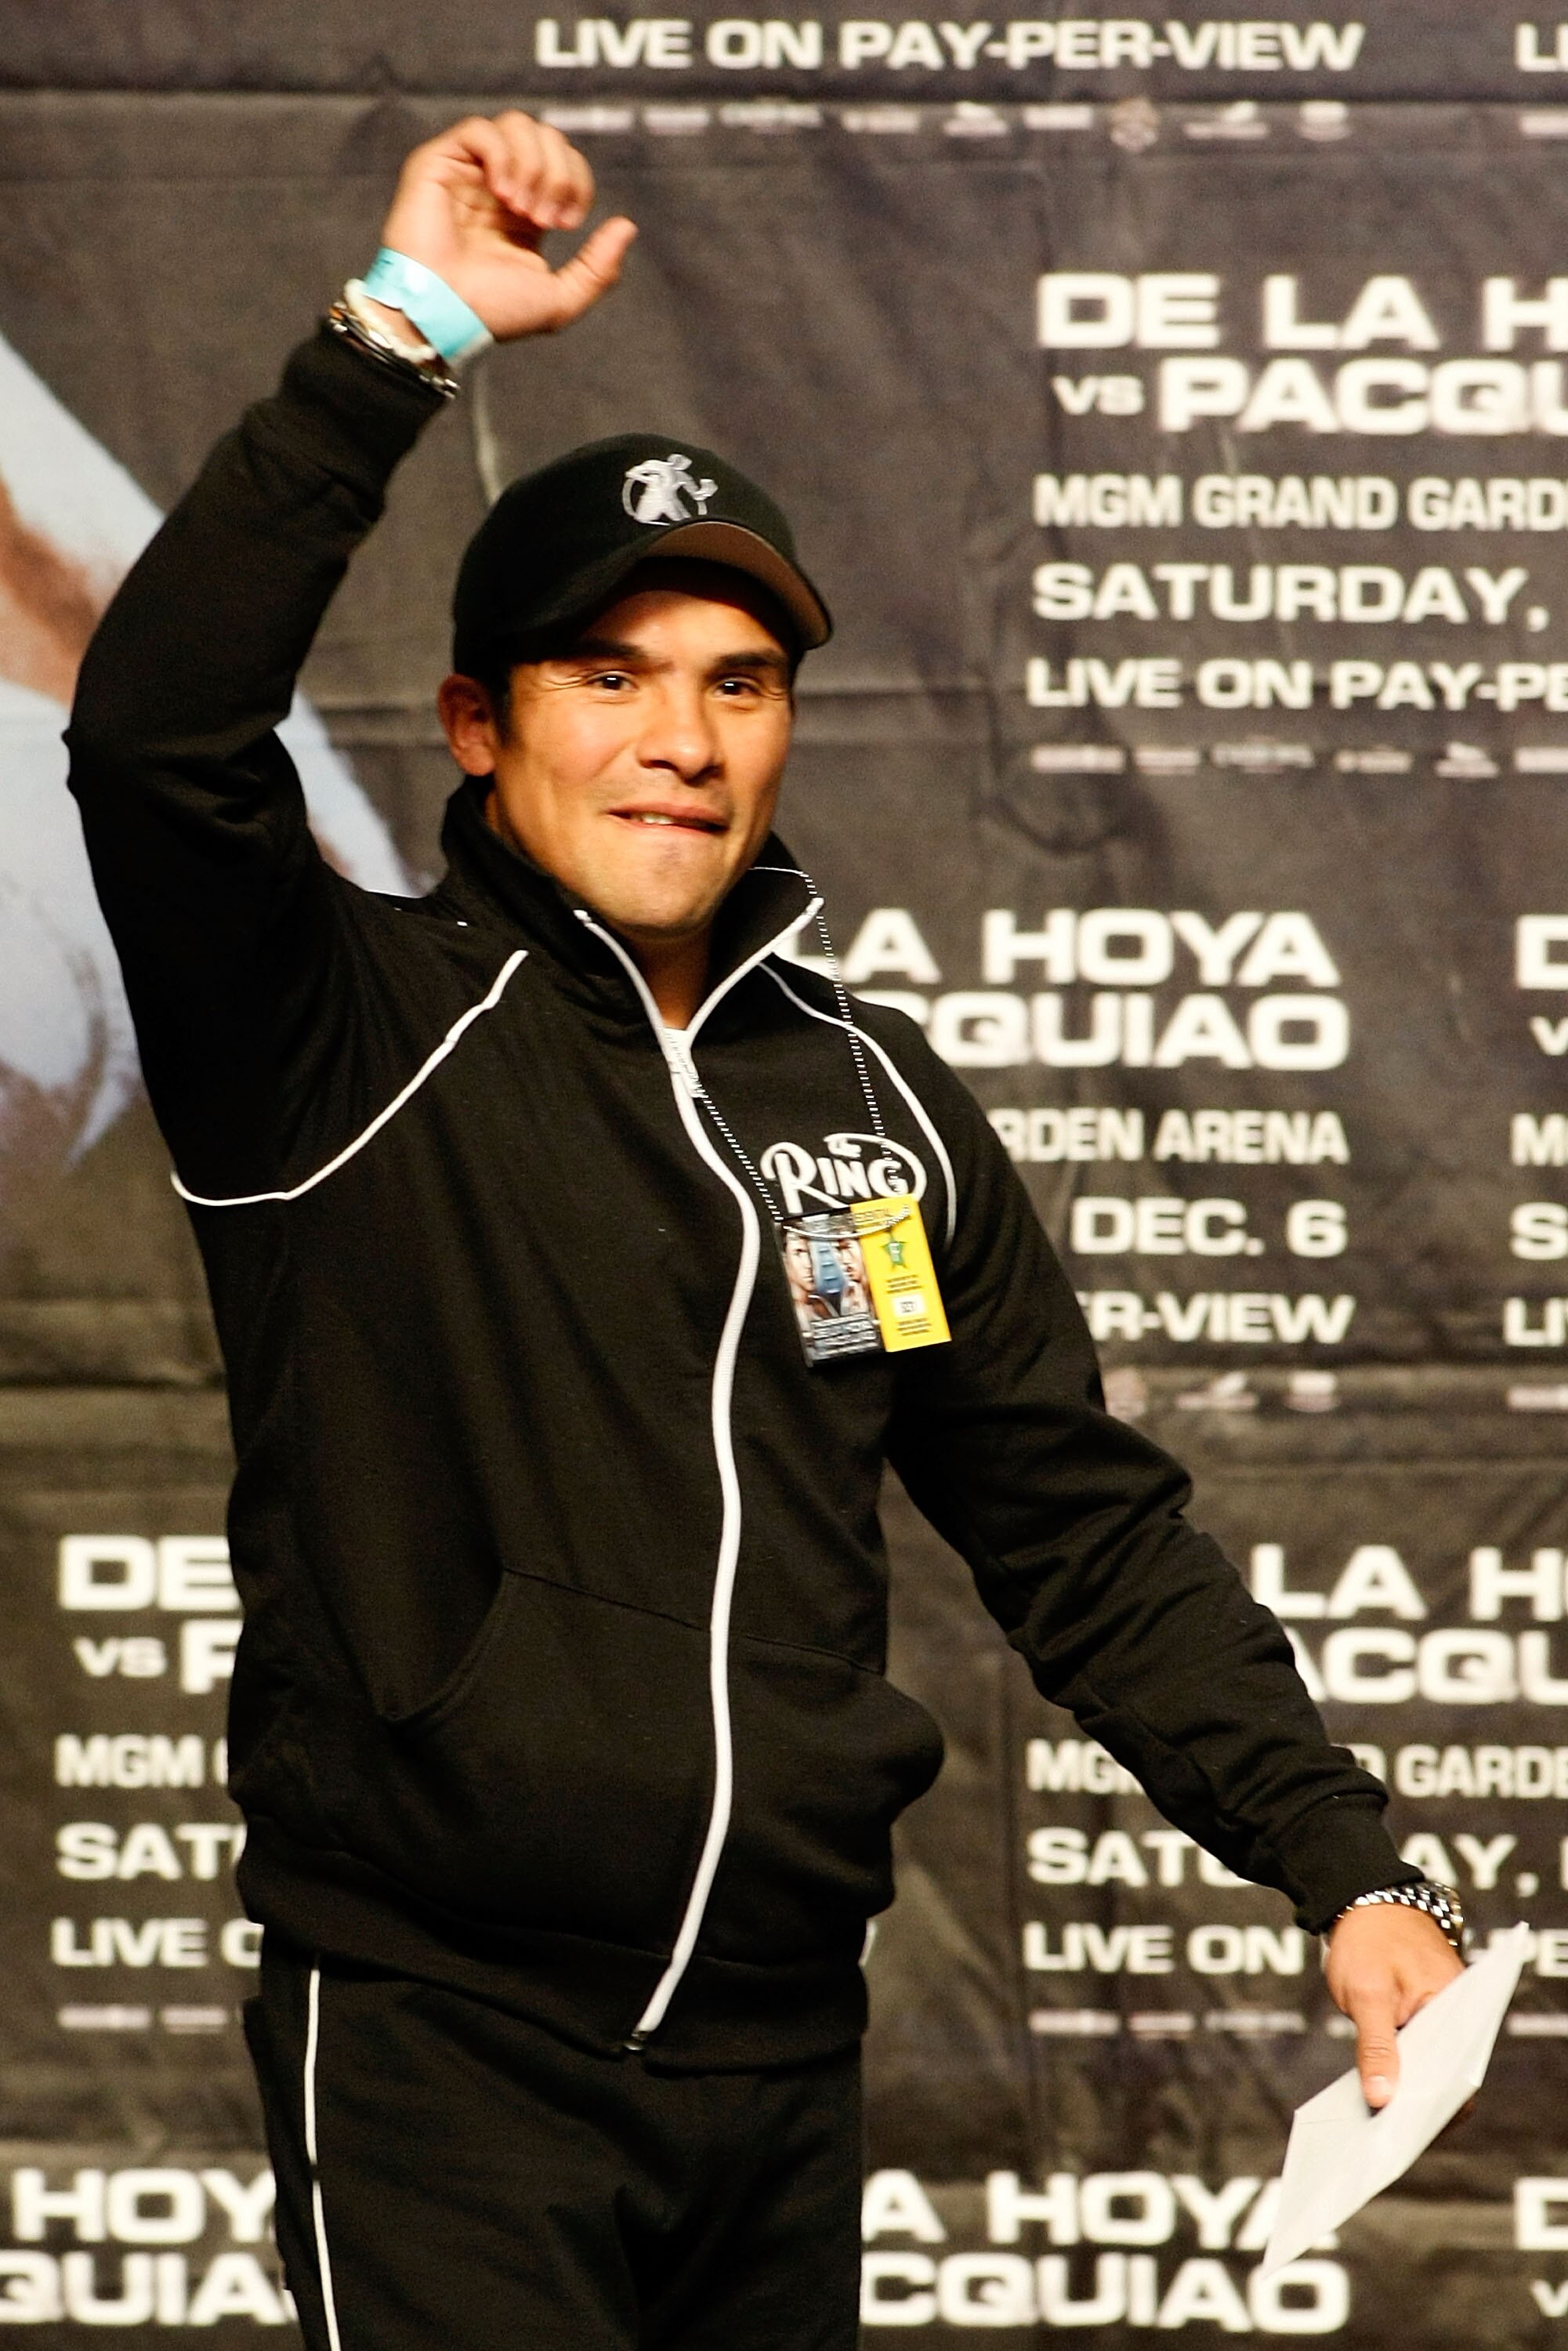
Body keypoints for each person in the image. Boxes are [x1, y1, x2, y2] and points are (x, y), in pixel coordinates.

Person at [67, 110, 1463, 2351]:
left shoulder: (876, 1107)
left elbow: (1077, 1534)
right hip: (450, 2057)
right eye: (606, 678)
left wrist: (1342, 1858)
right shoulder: (337, 1035)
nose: (678, 741)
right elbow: (148, 735)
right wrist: (402, 332)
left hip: (781, 2072)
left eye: (736, 683)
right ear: (475, 727)